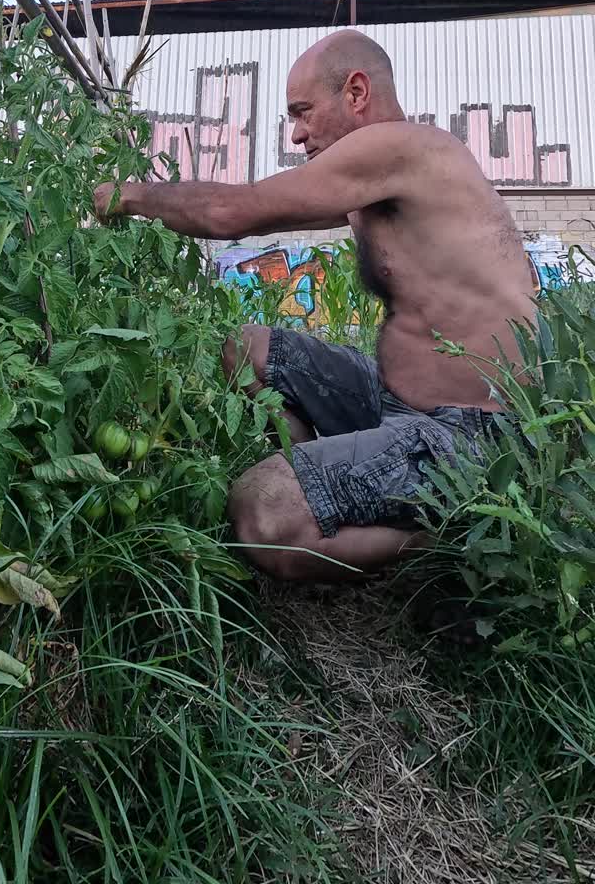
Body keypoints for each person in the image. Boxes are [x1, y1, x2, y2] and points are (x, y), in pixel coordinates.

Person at [93, 30, 534, 583]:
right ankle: (331, 496)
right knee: (248, 349)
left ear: (355, 92)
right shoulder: (375, 178)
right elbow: (265, 204)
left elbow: (236, 211)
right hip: (397, 402)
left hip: (476, 436)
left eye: (303, 113)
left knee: (262, 510)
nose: (297, 134)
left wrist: (130, 196)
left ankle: (445, 541)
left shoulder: (405, 149)